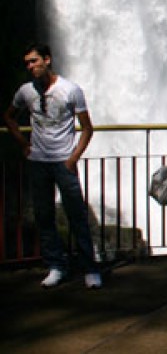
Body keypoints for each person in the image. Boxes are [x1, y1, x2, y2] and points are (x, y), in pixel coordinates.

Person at [3, 43, 102, 289]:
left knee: (77, 215)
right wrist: (23, 144)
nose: (30, 66)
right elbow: (8, 116)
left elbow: (87, 128)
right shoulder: (25, 91)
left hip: (63, 162)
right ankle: (56, 266)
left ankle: (90, 268)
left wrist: (73, 158)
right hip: (38, 162)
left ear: (47, 60)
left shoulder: (70, 90)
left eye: (34, 61)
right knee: (44, 216)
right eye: (27, 63)